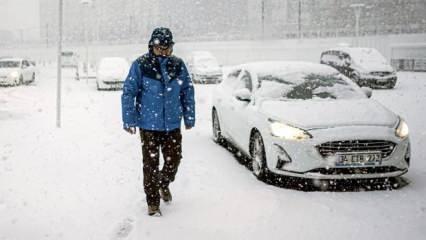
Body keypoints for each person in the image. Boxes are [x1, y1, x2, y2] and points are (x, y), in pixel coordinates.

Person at [121, 27, 195, 216]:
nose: (164, 51)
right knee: (150, 165)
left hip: (172, 125)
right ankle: (153, 203)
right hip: (148, 126)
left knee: (174, 161)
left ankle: (164, 183)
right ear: (152, 46)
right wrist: (129, 119)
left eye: (167, 47)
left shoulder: (178, 65)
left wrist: (189, 116)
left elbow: (187, 90)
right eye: (160, 47)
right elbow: (129, 92)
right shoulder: (140, 65)